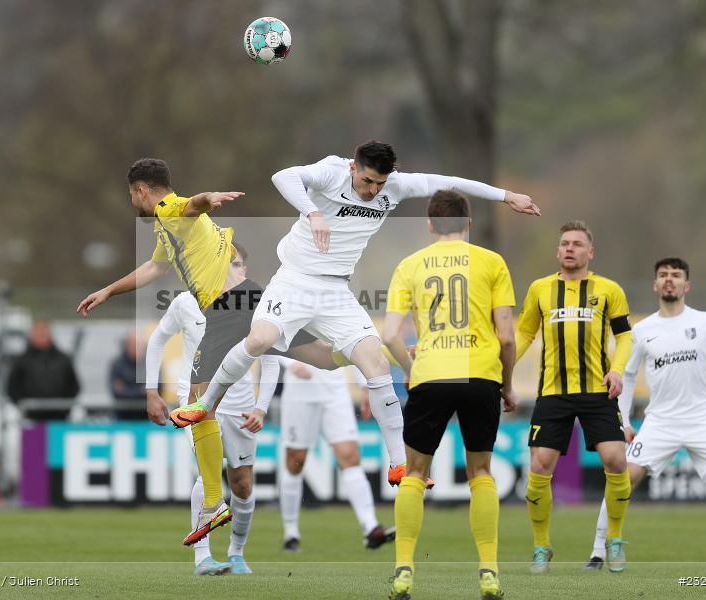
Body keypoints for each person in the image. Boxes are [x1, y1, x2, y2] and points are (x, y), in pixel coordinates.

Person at [173, 140, 538, 496]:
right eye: (367, 181)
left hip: (336, 291)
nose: (373, 190)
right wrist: (313, 213)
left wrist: (509, 197)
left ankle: (399, 462)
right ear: (353, 168)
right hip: (295, 280)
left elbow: (452, 183)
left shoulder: (394, 185)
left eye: (379, 183)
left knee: (376, 361)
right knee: (259, 339)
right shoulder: (331, 171)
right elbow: (283, 176)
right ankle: (206, 405)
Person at [77, 159, 352, 543]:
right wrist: (108, 290)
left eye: (131, 195)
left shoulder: (167, 209)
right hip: (250, 296)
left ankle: (212, 503)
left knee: (195, 401)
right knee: (322, 357)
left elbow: (192, 204)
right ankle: (379, 350)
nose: (132, 201)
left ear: (140, 191)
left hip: (228, 307)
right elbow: (154, 269)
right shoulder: (167, 227)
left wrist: (209, 197)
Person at [383, 191, 517, 600]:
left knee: (415, 474)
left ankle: (404, 570)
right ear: (469, 223)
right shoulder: (492, 262)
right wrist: (507, 385)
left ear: (428, 224)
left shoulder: (410, 265)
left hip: (432, 375)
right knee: (481, 473)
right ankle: (489, 572)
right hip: (480, 374)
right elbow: (507, 337)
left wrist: (411, 372)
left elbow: (389, 334)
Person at [583, 258, 706, 571]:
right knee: (623, 480)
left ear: (686, 285)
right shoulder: (643, 330)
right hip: (660, 422)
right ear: (655, 284)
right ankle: (597, 552)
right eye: (663, 275)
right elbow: (627, 377)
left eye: (676, 275)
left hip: (703, 419)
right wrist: (624, 422)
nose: (669, 280)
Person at [144, 248, 280, 573]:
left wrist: (261, 407)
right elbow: (157, 340)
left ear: (244, 270)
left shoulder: (255, 304)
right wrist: (151, 390)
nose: (231, 271)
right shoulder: (184, 303)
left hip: (241, 403)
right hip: (196, 397)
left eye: (236, 265)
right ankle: (202, 557)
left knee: (242, 485)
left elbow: (272, 356)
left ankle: (236, 552)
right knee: (207, 473)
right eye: (225, 265)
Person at [516, 220, 633, 574]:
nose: (570, 248)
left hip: (598, 391)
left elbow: (626, 337)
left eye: (577, 244)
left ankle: (614, 538)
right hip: (553, 393)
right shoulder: (540, 289)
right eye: (565, 243)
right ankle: (541, 546)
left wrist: (617, 369)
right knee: (539, 467)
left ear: (590, 252)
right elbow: (523, 334)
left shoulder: (608, 289)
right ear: (558, 250)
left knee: (615, 460)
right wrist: (500, 371)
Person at [278, 358, 395, 552]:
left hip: (335, 389)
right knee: (295, 460)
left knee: (350, 456)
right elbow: (266, 334)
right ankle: (291, 532)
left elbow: (352, 337)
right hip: (300, 390)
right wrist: (290, 364)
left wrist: (365, 385)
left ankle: (370, 527)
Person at [6, 320, 80, 421]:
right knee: (36, 437)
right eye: (38, 332)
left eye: (44, 331)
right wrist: (25, 406)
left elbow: (74, 386)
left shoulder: (63, 359)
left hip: (59, 419)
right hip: (31, 420)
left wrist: (63, 407)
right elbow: (12, 387)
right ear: (32, 335)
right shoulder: (22, 360)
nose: (42, 334)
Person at [108, 331, 147, 420]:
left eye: (140, 346)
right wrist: (141, 391)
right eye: (134, 345)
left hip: (147, 417)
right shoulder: (117, 364)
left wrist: (127, 389)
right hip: (122, 417)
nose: (138, 349)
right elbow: (117, 392)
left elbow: (157, 390)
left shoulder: (151, 364)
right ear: (127, 346)